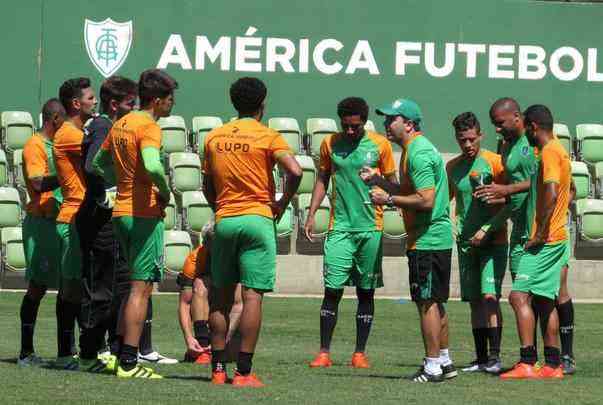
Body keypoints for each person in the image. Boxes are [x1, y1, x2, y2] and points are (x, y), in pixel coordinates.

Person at [203, 77, 302, 387]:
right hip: (258, 219)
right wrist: (282, 203)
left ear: (233, 102)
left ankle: (218, 370)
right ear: (263, 102)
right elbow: (296, 171)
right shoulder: (268, 136)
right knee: (251, 297)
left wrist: (220, 207)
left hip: (226, 220)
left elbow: (207, 185)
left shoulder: (214, 137)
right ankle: (243, 372)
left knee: (219, 297)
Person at [360, 98, 456, 383]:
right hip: (431, 239)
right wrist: (380, 181)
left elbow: (425, 200)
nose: (386, 124)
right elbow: (409, 190)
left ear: (409, 124)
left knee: (426, 302)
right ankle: (445, 361)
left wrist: (387, 198)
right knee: (435, 302)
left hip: (428, 240)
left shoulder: (418, 153)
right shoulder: (414, 150)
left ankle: (432, 366)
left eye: (392, 119)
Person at [93, 68, 178, 378]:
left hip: (121, 213)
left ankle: (119, 353)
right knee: (142, 289)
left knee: (131, 288)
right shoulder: (148, 126)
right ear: (156, 100)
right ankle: (129, 362)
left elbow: (98, 164)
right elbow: (154, 165)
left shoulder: (121, 124)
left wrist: (123, 180)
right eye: (170, 99)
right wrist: (164, 191)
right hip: (143, 214)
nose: (173, 104)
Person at [305, 97, 396, 369]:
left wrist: (390, 198)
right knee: (332, 290)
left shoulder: (380, 144)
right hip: (339, 228)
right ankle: (324, 352)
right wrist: (311, 213)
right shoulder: (330, 144)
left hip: (371, 228)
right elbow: (322, 178)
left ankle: (359, 353)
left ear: (364, 122)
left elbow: (392, 182)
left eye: (355, 126)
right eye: (346, 125)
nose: (350, 131)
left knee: (365, 292)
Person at [500, 105, 571, 380]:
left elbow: (551, 192)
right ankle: (553, 366)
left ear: (531, 126)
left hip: (547, 240)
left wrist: (540, 232)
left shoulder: (551, 152)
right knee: (544, 301)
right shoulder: (559, 150)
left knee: (518, 296)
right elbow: (570, 191)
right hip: (558, 237)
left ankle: (527, 362)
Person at [76, 76, 137, 372]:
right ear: (115, 104)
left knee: (118, 284)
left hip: (105, 218)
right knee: (102, 287)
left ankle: (108, 350)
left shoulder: (111, 127)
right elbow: (91, 165)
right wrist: (105, 195)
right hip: (101, 220)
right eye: (130, 103)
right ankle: (88, 353)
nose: (134, 108)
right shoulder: (104, 126)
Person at [446, 112, 507, 373]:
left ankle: (495, 358)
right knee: (474, 301)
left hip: (494, 240)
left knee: (490, 296)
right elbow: (447, 202)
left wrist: (487, 228)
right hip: (467, 243)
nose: (468, 145)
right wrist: (453, 226)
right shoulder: (452, 167)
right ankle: (481, 359)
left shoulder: (496, 163)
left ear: (480, 135)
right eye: (462, 140)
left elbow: (511, 201)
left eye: (472, 139)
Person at [53, 77, 97, 369]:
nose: (95, 102)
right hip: (72, 216)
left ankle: (78, 350)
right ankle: (64, 353)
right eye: (91, 98)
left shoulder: (77, 130)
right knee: (71, 290)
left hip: (81, 216)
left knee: (79, 287)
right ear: (76, 103)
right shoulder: (70, 134)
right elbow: (98, 156)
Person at [18, 99, 65, 366]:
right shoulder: (35, 145)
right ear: (55, 119)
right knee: (37, 286)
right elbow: (37, 182)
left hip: (60, 223)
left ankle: (65, 352)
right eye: (64, 121)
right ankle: (26, 352)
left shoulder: (57, 146)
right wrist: (67, 174)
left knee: (69, 288)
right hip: (41, 224)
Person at [178, 220, 242, 364]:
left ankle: (215, 344)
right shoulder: (195, 259)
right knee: (200, 283)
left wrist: (222, 338)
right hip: (210, 304)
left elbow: (239, 304)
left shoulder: (238, 259)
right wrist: (189, 338)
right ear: (206, 244)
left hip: (231, 312)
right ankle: (202, 344)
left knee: (231, 357)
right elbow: (185, 303)